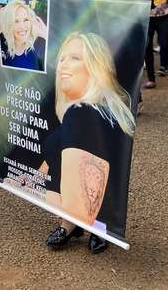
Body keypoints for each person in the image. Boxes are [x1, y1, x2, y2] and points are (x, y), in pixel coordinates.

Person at [43, 0, 132, 254]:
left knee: (99, 150)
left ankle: (96, 221)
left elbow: (130, 21)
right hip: (72, 80)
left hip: (101, 79)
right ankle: (69, 220)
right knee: (63, 143)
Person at [43, 32, 136, 254]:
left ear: (96, 65)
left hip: (89, 210)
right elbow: (52, 164)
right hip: (81, 207)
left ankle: (77, 226)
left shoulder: (83, 113)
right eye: (62, 58)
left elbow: (87, 191)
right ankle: (75, 225)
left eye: (75, 58)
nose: (64, 64)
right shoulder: (80, 111)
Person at [0, 0, 47, 71]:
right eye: (16, 21)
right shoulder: (1, 41)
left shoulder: (39, 46)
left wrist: (46, 35)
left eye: (26, 20)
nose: (22, 27)